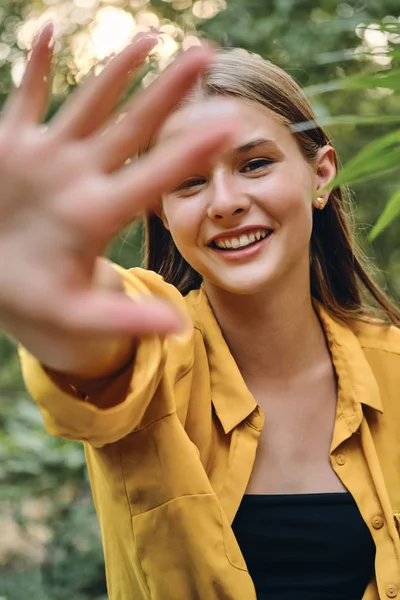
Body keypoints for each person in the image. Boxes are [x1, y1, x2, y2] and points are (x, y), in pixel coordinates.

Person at [1, 21, 400, 600]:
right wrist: (57, 292)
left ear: (322, 172)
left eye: (255, 164)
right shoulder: (158, 352)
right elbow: (102, 350)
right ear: (161, 210)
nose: (226, 203)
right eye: (189, 181)